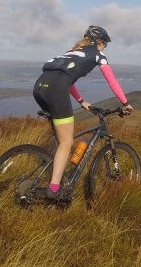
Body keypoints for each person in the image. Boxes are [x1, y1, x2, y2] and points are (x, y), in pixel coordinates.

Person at [32, 24, 133, 202]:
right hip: (56, 90)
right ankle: (54, 190)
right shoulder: (98, 55)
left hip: (39, 88)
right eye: (105, 45)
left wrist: (81, 101)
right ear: (99, 43)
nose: (105, 48)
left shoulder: (71, 52)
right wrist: (125, 103)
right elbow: (112, 81)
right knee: (67, 141)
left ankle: (56, 172)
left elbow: (66, 79)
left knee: (60, 138)